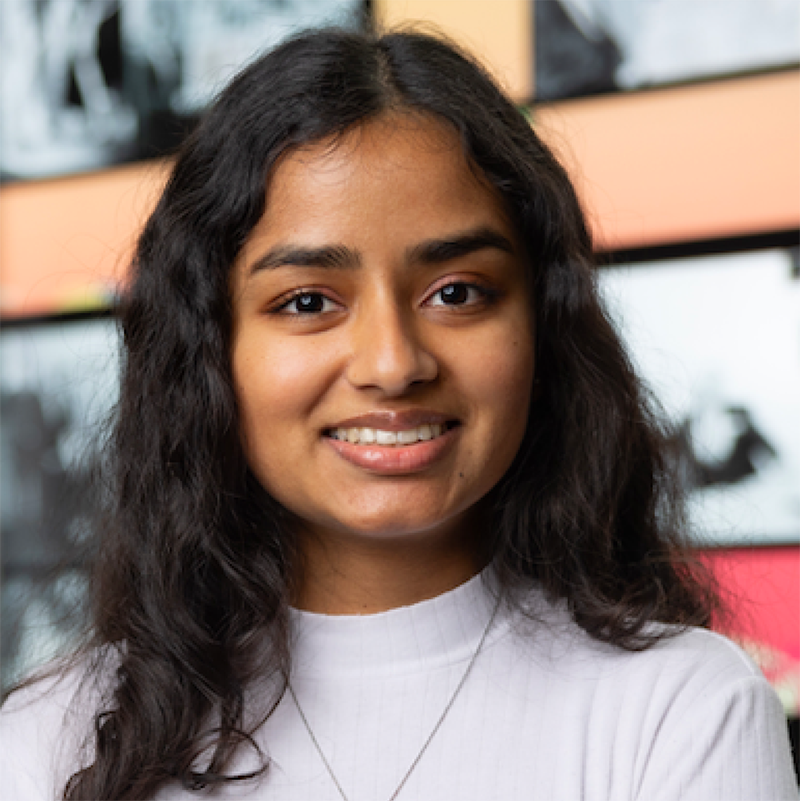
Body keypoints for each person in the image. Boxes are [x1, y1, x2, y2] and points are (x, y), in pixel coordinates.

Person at [1, 25, 796, 801]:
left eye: (457, 292)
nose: (393, 364)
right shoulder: (48, 745)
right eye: (308, 301)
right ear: (209, 352)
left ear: (542, 330)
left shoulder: (682, 711)